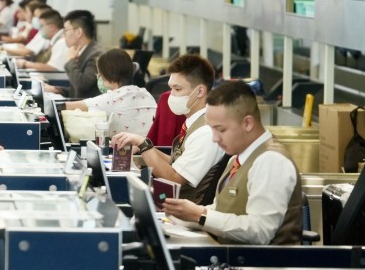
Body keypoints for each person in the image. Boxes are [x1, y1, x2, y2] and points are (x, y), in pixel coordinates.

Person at [163, 80, 303, 245]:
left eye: (221, 130)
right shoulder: (237, 159)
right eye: (212, 129)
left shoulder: (271, 161)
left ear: (247, 123)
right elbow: (221, 212)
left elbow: (261, 230)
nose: (215, 138)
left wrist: (199, 215)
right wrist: (175, 216)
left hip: (261, 267)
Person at [112, 54, 226, 206]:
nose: (170, 95)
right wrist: (143, 144)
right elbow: (175, 162)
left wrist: (143, 145)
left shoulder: (206, 133)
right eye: (171, 88)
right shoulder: (192, 123)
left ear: (199, 91)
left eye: (177, 89)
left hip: (182, 212)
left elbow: (174, 178)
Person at [64, 49, 156, 138]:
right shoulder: (146, 94)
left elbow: (66, 107)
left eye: (99, 74)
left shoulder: (110, 99)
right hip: (151, 150)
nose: (98, 77)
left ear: (106, 74)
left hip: (124, 152)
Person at [52, 10, 101, 98]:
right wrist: (56, 89)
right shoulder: (83, 51)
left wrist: (71, 60)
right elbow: (77, 90)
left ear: (78, 32)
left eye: (65, 30)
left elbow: (82, 85)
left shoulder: (96, 55)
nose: (64, 35)